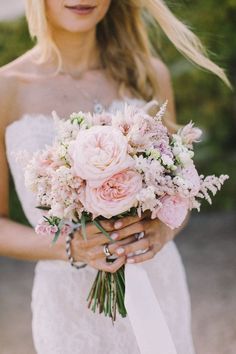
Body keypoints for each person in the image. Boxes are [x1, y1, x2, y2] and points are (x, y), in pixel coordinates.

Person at [0, 1, 230, 353]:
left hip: (156, 280)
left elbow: (181, 191)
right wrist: (71, 246)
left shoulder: (148, 73)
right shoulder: (7, 88)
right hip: (69, 302)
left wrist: (165, 228)